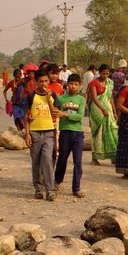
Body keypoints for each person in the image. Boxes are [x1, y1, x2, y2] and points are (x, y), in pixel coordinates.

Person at [25, 69, 61, 201]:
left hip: (49, 131)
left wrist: (49, 98)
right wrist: (27, 134)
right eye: (41, 81)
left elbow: (54, 112)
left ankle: (50, 189)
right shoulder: (31, 96)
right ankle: (38, 188)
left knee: (47, 159)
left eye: (46, 81)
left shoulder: (53, 96)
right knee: (36, 161)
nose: (44, 83)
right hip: (34, 132)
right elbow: (27, 116)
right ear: (36, 82)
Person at [54, 74, 87, 198]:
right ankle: (57, 180)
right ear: (67, 84)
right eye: (71, 84)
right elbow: (56, 113)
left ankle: (76, 188)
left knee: (77, 162)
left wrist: (65, 114)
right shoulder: (62, 99)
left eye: (76, 84)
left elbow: (80, 116)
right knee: (62, 159)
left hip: (78, 133)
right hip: (65, 132)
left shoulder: (81, 100)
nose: (73, 86)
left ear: (80, 86)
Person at [88, 64, 118, 165]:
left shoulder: (110, 83)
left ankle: (113, 156)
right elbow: (94, 98)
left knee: (112, 131)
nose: (105, 75)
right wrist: (102, 109)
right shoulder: (94, 83)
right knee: (98, 133)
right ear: (99, 72)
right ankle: (94, 157)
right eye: (103, 73)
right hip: (97, 110)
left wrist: (114, 112)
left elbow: (111, 98)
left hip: (108, 110)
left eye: (107, 74)